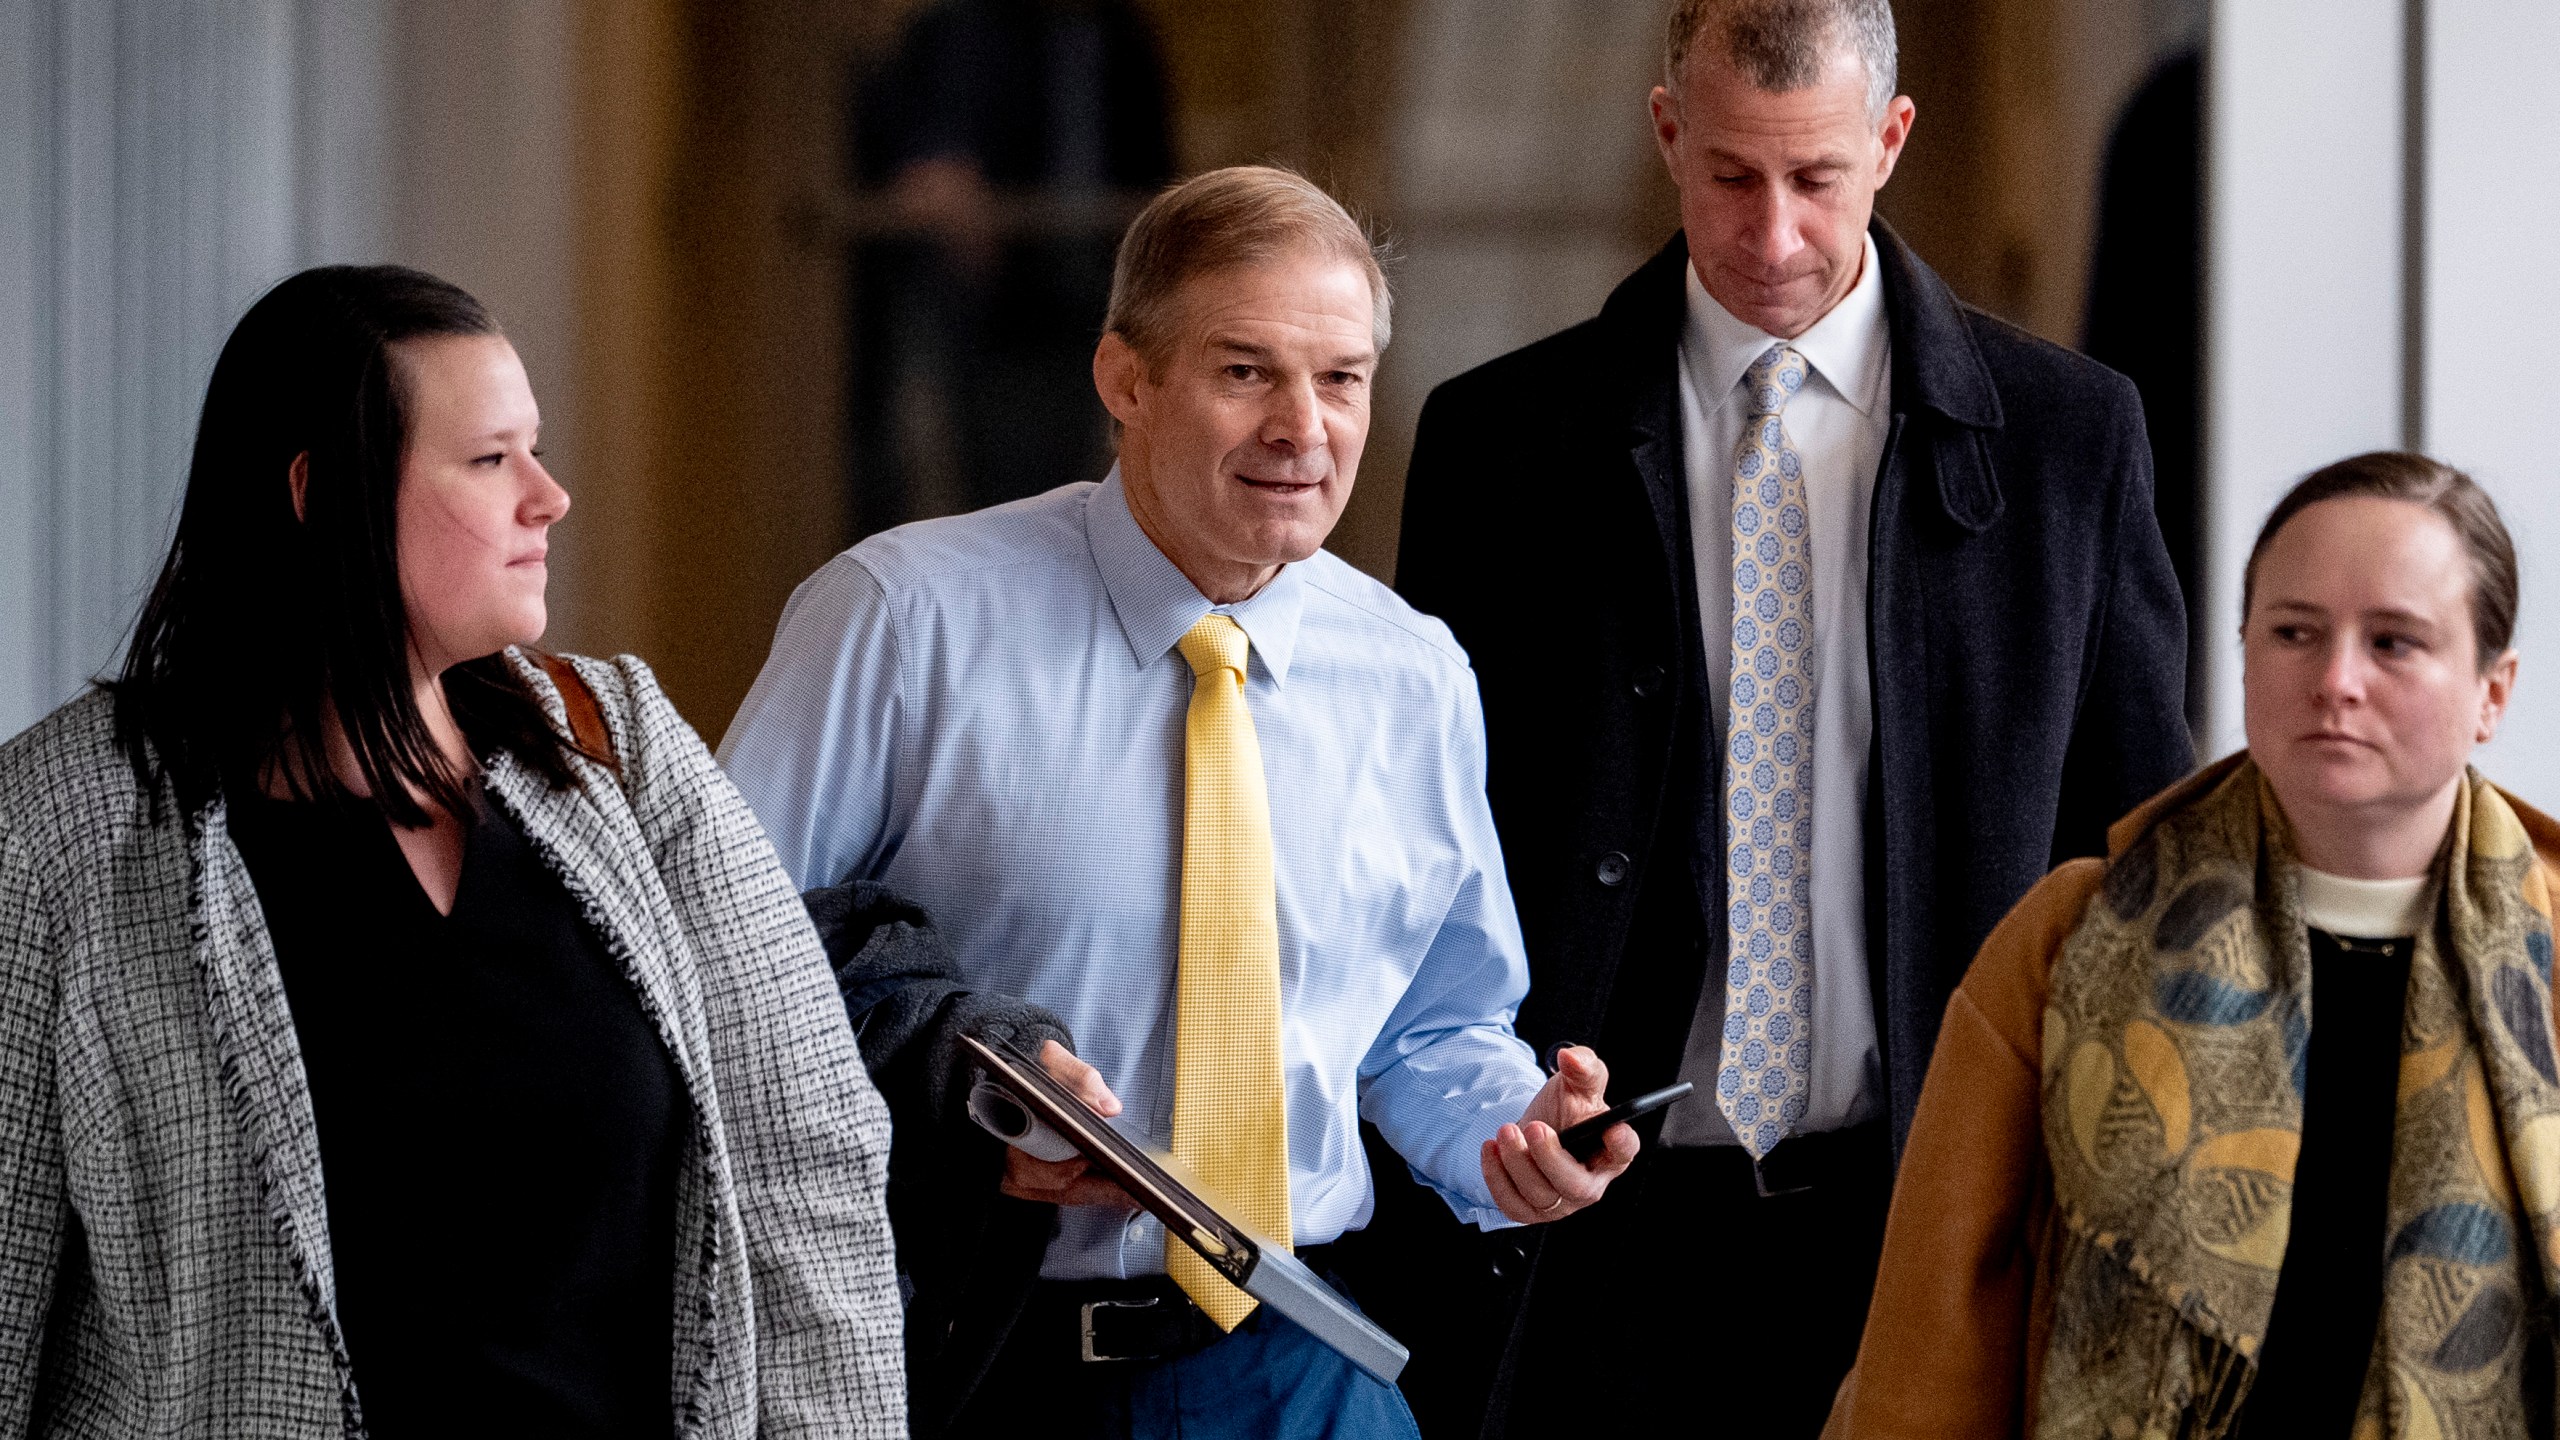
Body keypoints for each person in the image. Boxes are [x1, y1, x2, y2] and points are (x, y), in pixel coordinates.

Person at [721, 165, 1637, 1440]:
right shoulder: (903, 618)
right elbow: (725, 982)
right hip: (989, 1365)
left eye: (1340, 379)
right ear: (1125, 380)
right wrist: (965, 1117)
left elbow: (1427, 1031)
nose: (1301, 429)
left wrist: (1509, 1138)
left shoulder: (1413, 674)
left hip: (1310, 1370)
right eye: (1245, 371)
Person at [1383, 0, 2194, 1433]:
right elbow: (1422, 866)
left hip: (1933, 1227)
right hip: (1593, 1244)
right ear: (1665, 134)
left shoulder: (2073, 437)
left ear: (1889, 143)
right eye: (1730, 177)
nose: (1770, 237)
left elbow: (2140, 868)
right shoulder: (1497, 444)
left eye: (1815, 179)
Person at [0, 265, 904, 1437]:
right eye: (489, 460)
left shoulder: (619, 750)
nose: (549, 497)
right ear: (318, 493)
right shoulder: (64, 830)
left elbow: (808, 1173)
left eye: (532, 450)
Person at [1827, 452, 2550, 1437]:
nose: (2336, 680)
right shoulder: (2068, 933)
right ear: (2244, 649)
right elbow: (1940, 1321)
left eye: (2393, 642)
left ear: (2491, 693)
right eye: (2294, 632)